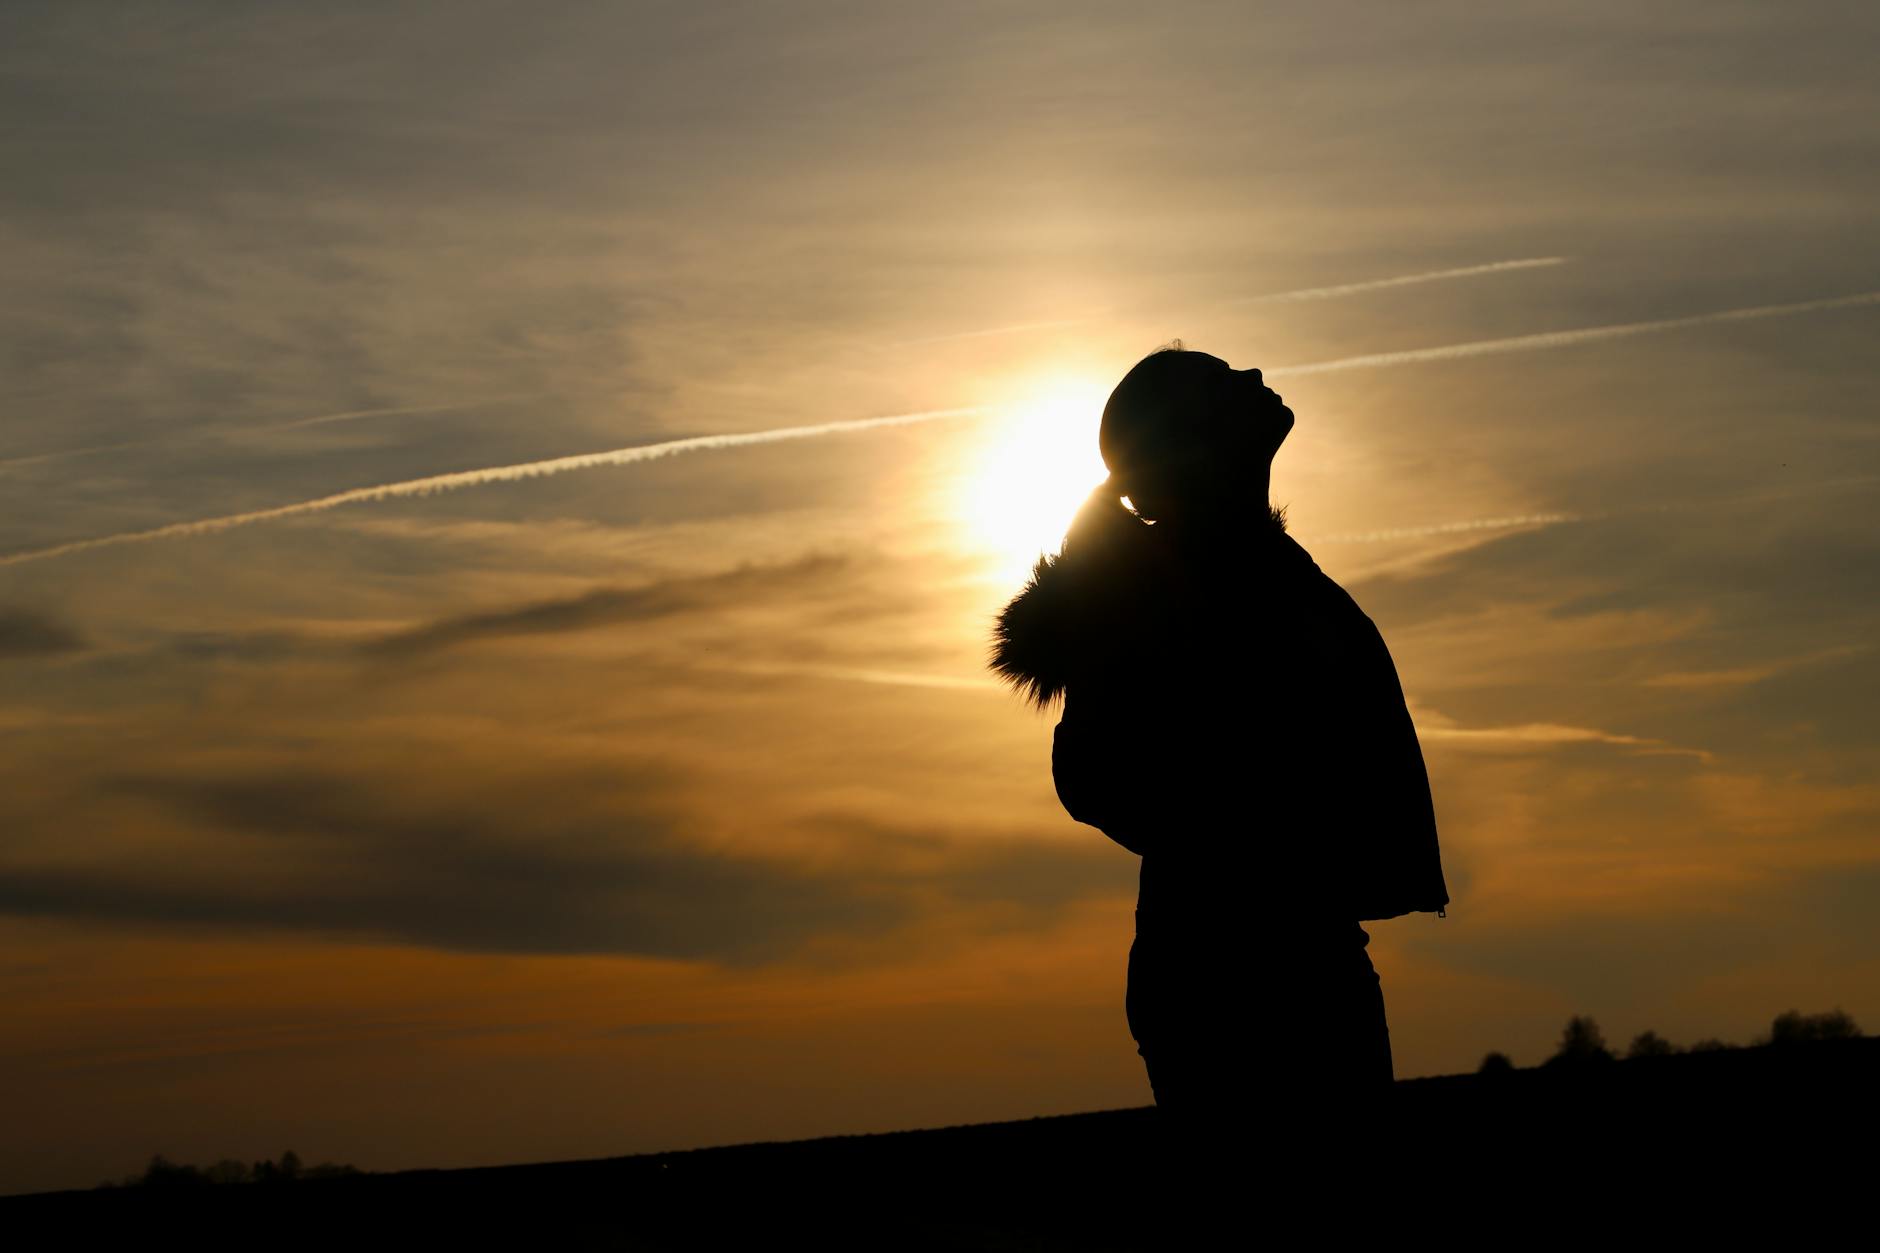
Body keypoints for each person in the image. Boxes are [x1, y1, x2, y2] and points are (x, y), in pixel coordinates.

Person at [988, 343, 1449, 1186]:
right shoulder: (1174, 586)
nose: (1249, 378)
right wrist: (1246, 836)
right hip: (1234, 975)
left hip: (1296, 951)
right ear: (1191, 440)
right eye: (1217, 378)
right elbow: (1092, 772)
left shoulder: (1246, 567)